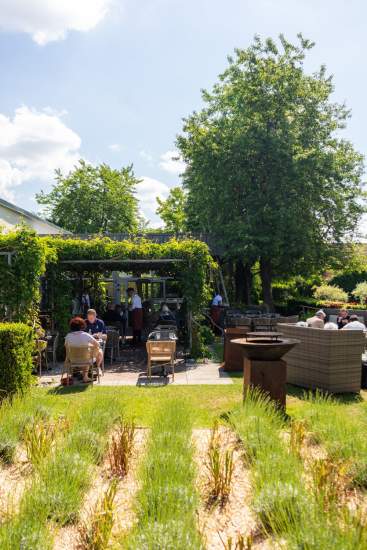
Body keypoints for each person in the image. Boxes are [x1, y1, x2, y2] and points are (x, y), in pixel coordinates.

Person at [65, 317, 103, 383]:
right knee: (99, 351)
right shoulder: (86, 335)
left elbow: (66, 346)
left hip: (72, 359)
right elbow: (98, 345)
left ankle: (79, 374)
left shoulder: (68, 336)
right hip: (86, 360)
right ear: (82, 326)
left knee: (84, 355)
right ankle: (91, 372)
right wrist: (90, 348)